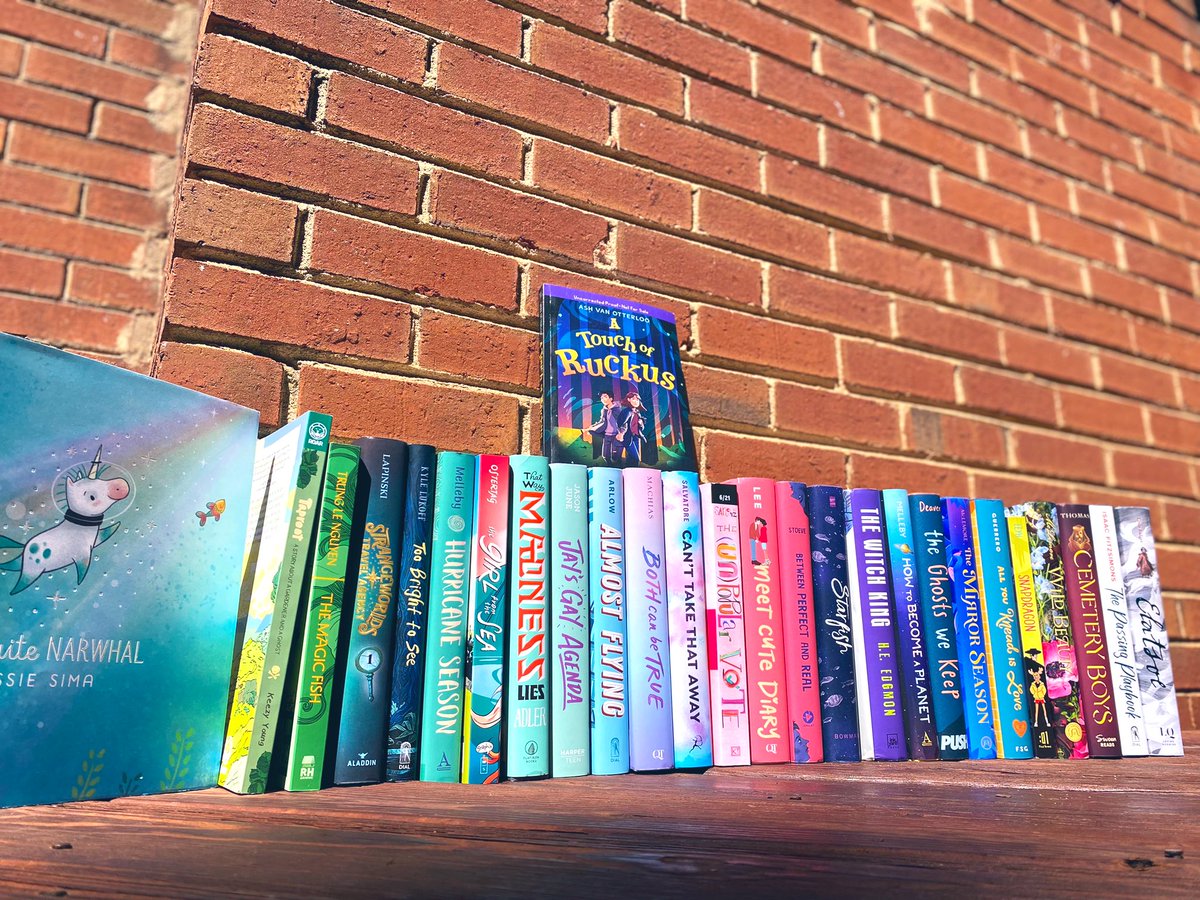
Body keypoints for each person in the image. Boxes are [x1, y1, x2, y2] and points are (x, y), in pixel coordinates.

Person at [587, 391, 627, 463]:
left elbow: (623, 423)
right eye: (601, 398)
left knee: (615, 456)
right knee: (605, 455)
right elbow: (602, 421)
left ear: (611, 399)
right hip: (607, 435)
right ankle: (610, 465)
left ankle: (616, 465)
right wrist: (593, 427)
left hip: (616, 435)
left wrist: (621, 433)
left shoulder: (617, 409)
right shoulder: (604, 410)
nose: (603, 399)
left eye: (605, 397)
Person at [619, 390, 646, 465]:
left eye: (637, 399)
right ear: (628, 400)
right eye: (633, 399)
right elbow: (620, 424)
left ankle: (630, 470)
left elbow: (641, 428)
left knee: (632, 459)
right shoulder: (626, 412)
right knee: (635, 457)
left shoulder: (637, 412)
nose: (636, 401)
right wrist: (621, 433)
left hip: (636, 437)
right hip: (627, 437)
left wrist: (641, 424)